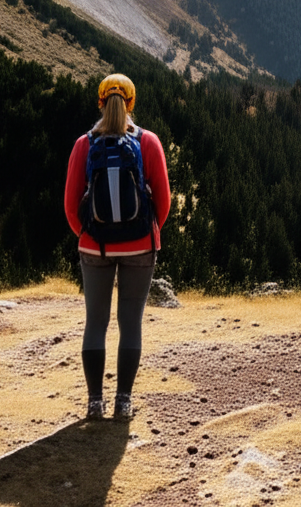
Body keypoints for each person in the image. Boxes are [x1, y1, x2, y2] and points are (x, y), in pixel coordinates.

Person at [64, 73, 171, 420]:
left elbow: (69, 205)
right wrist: (143, 233)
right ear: (131, 103)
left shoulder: (84, 144)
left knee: (95, 322)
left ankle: (95, 402)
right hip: (140, 248)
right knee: (131, 321)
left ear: (100, 102)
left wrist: (91, 235)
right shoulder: (148, 142)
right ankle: (123, 402)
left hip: (95, 248)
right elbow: (164, 202)